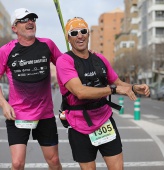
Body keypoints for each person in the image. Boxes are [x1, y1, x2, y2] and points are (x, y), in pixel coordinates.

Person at [56, 17, 150, 170]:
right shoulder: (64, 61)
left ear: (88, 34)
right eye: (74, 33)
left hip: (104, 121)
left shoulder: (99, 59)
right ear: (69, 38)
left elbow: (118, 83)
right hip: (79, 125)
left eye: (83, 31)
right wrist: (113, 90)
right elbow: (80, 92)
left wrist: (133, 88)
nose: (80, 35)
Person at [0, 8, 62, 170]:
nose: (30, 22)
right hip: (17, 115)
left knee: (54, 161)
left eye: (33, 19)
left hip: (44, 114)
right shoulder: (5, 51)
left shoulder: (47, 45)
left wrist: (85, 55)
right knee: (17, 163)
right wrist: (3, 104)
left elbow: (65, 66)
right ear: (14, 28)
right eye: (25, 19)